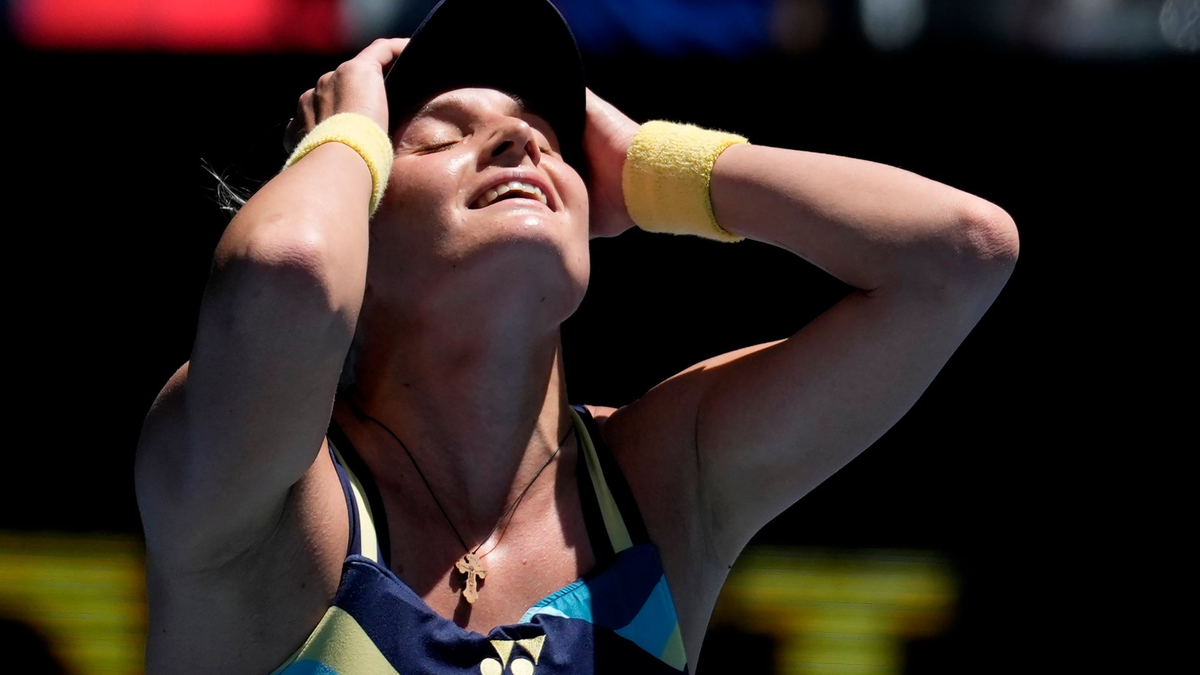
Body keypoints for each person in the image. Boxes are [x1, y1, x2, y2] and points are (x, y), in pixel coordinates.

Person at [133, 0, 1020, 673]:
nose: (519, 138)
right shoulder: (270, 489)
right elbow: (287, 266)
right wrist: (345, 129)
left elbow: (961, 253)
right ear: (354, 203)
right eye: (440, 137)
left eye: (552, 139)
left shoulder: (664, 479)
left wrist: (655, 167)